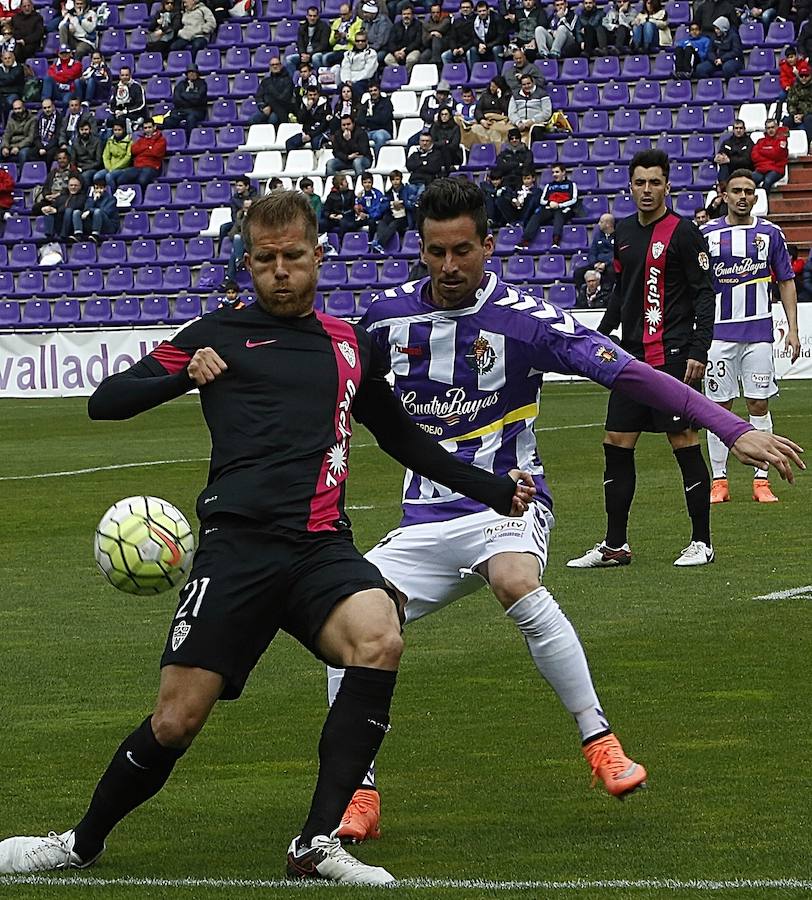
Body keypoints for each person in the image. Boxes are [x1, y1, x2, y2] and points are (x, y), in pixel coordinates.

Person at [0, 188, 533, 885]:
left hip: (319, 549)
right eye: (265, 260)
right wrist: (182, 375)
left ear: (319, 256)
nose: (280, 271)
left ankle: (316, 844)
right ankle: (78, 842)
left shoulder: (350, 346)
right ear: (247, 264)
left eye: (292, 257)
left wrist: (491, 488)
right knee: (175, 722)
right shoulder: (212, 336)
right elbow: (106, 402)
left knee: (379, 634)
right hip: (237, 549)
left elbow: (402, 437)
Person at [325, 176, 804, 844]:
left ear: (489, 245)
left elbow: (631, 373)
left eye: (463, 250)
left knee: (515, 578)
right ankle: (359, 789)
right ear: (421, 248)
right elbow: (322, 379)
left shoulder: (525, 321)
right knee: (347, 623)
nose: (449, 266)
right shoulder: (381, 320)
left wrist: (730, 427)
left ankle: (599, 741)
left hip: (510, 505)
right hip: (422, 521)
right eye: (436, 252)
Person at [568, 149, 717, 570]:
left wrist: (698, 350)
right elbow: (621, 291)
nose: (647, 190)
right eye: (640, 183)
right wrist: (596, 338)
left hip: (673, 357)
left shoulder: (684, 233)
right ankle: (615, 545)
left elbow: (705, 294)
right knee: (616, 442)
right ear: (630, 186)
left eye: (655, 182)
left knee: (683, 442)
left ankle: (702, 542)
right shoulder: (625, 233)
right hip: (630, 360)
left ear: (667, 185)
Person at [700, 169, 801, 503]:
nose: (742, 197)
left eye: (748, 192)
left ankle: (762, 480)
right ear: (724, 195)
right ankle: (719, 480)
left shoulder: (770, 234)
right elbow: (695, 287)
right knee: (719, 407)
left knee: (758, 403)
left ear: (755, 198)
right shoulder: (707, 234)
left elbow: (786, 280)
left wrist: (794, 330)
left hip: (758, 334)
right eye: (736, 191)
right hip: (717, 336)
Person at [515, 162, 578, 249]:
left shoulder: (571, 184)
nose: (554, 174)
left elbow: (574, 199)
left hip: (564, 208)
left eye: (557, 172)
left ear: (563, 172)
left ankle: (556, 240)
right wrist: (549, 203)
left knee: (559, 215)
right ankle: (525, 241)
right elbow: (542, 200)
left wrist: (559, 205)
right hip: (549, 206)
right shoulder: (549, 185)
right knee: (536, 216)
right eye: (553, 172)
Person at [108, 118, 166, 190]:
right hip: (137, 166)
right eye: (145, 128)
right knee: (121, 180)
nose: (147, 130)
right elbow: (134, 150)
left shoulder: (161, 139)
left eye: (149, 127)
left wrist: (142, 149)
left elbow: (156, 152)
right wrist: (149, 147)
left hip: (152, 167)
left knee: (142, 181)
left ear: (154, 127)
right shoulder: (141, 139)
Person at [369, 168, 416, 251]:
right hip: (392, 215)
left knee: (394, 224)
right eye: (393, 180)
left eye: (397, 179)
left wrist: (402, 203)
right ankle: (380, 245)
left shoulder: (408, 190)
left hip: (405, 217)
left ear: (401, 179)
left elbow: (411, 205)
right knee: (382, 223)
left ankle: (379, 243)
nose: (395, 182)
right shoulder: (388, 193)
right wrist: (391, 204)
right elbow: (382, 208)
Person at [574, 212, 615, 289]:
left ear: (608, 224)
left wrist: (605, 264)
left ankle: (607, 295)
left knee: (611, 272)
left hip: (609, 265)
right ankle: (584, 295)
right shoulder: (598, 236)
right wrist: (594, 263)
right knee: (578, 272)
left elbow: (616, 253)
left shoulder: (618, 236)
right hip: (596, 264)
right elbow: (592, 252)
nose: (598, 224)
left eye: (601, 222)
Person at [249, 56, 294, 127]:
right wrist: (263, 107)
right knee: (252, 120)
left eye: (277, 64)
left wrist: (270, 103)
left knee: (273, 120)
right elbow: (259, 96)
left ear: (281, 65)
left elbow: (284, 98)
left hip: (281, 109)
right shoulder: (265, 81)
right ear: (270, 67)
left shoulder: (288, 80)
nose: (275, 66)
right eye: (272, 65)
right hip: (266, 108)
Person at [163, 64, 208, 135]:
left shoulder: (202, 84)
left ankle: (190, 140)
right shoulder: (181, 84)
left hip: (197, 110)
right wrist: (191, 98)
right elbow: (176, 100)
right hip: (181, 110)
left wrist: (184, 94)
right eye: (189, 72)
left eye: (193, 72)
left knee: (191, 119)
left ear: (197, 74)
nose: (191, 74)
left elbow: (198, 99)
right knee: (168, 120)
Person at [507, 72, 552, 144]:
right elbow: (511, 113)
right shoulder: (515, 96)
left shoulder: (542, 94)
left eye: (528, 83)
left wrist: (533, 120)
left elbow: (547, 112)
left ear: (533, 83)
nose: (527, 86)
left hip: (536, 123)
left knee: (536, 131)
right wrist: (518, 122)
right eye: (524, 84)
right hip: (520, 123)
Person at [40, 170, 86, 239]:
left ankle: (63, 236)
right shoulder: (63, 195)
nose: (73, 187)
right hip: (59, 222)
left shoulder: (82, 196)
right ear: (68, 186)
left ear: (80, 186)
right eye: (71, 185)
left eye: (76, 185)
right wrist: (48, 208)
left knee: (68, 211)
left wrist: (56, 210)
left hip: (72, 225)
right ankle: (49, 236)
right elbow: (55, 205)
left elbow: (74, 206)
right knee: (48, 211)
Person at [288, 85, 334, 152]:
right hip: (307, 132)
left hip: (320, 132)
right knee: (290, 143)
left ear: (318, 95)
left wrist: (310, 135)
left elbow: (324, 124)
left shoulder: (325, 104)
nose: (312, 97)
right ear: (307, 96)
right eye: (310, 95)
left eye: (315, 95)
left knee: (315, 143)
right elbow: (300, 120)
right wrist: (307, 110)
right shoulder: (304, 104)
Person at [287, 5, 331, 76]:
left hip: (318, 53)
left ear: (318, 16)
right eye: (310, 16)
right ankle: (292, 83)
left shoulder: (324, 27)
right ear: (307, 16)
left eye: (314, 16)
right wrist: (302, 54)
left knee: (315, 58)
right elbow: (300, 43)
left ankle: (319, 80)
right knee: (289, 59)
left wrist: (310, 55)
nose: (312, 18)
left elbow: (324, 45)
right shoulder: (302, 28)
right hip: (305, 54)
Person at [74, 173, 117, 240]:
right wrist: (93, 200)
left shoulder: (111, 199)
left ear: (105, 188)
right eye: (97, 188)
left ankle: (95, 235)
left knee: (98, 211)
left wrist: (90, 211)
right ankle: (78, 235)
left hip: (108, 226)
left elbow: (105, 212)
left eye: (101, 188)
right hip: (94, 223)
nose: (99, 190)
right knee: (76, 212)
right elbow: (85, 210)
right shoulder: (90, 199)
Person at [19, 97, 61, 165]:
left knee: (50, 154)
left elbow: (57, 137)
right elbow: (36, 136)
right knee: (28, 154)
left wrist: (45, 148)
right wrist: (41, 147)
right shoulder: (39, 118)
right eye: (44, 108)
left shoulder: (59, 118)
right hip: (40, 145)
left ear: (53, 106)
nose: (47, 110)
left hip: (52, 146)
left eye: (49, 107)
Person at [750, 118, 788, 193]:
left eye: (772, 127)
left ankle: (764, 202)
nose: (770, 130)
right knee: (749, 181)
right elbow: (754, 157)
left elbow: (777, 155)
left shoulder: (782, 140)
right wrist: (770, 152)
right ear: (765, 129)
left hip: (776, 169)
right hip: (761, 169)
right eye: (768, 128)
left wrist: (762, 151)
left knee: (767, 181)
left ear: (777, 127)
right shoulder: (760, 141)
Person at [356, 81, 393, 159]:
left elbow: (383, 119)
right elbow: (359, 119)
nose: (373, 93)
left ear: (379, 91)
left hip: (384, 130)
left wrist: (368, 120)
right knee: (357, 136)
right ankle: (364, 160)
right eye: (371, 91)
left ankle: (378, 160)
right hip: (368, 132)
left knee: (379, 136)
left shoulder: (386, 102)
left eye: (375, 90)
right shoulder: (366, 103)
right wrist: (372, 120)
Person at [338, 30, 377, 98]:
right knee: (340, 87)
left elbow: (368, 72)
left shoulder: (372, 53)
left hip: (364, 80)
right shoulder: (348, 54)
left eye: (363, 41)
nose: (360, 43)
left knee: (357, 87)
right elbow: (345, 68)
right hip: (349, 80)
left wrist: (353, 81)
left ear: (367, 41)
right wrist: (347, 80)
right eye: (357, 41)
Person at [107, 66, 146, 133]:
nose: (124, 77)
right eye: (122, 75)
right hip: (119, 114)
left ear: (130, 75)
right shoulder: (116, 88)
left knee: (122, 119)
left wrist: (126, 111)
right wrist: (116, 111)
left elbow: (141, 105)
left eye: (126, 75)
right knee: (109, 121)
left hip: (134, 113)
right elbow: (112, 104)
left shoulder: (137, 87)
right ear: (119, 76)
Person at [95, 117, 132, 187]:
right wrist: (109, 167)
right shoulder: (110, 141)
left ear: (123, 130)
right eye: (115, 130)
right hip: (109, 167)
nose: (117, 132)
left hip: (123, 168)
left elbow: (128, 157)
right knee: (97, 176)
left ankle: (112, 194)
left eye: (119, 130)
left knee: (109, 176)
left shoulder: (129, 142)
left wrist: (114, 168)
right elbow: (105, 156)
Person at [782, 58, 812, 144]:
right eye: (802, 75)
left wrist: (803, 115)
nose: (804, 78)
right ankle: (786, 144)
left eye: (806, 76)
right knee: (786, 121)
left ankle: (810, 143)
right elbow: (791, 103)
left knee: (809, 119)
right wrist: (794, 115)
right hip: (797, 115)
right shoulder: (794, 87)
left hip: (808, 114)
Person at [320, 172, 359, 236]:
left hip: (347, 217)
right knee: (321, 223)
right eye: (345, 182)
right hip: (335, 219)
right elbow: (325, 210)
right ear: (340, 185)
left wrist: (343, 215)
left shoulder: (351, 193)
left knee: (344, 224)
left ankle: (342, 243)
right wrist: (330, 215)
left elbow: (352, 208)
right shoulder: (331, 196)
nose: (348, 183)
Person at [384, 3, 421, 70]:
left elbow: (417, 42)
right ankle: (400, 73)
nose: (406, 16)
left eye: (408, 14)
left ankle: (406, 75)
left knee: (411, 59)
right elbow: (391, 41)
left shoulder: (418, 25)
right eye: (404, 14)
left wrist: (405, 51)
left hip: (412, 50)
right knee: (388, 59)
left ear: (412, 15)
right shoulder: (396, 26)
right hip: (397, 51)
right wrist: (395, 52)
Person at [468, 0, 505, 67]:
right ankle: (474, 73)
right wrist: (479, 44)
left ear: (488, 10)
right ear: (476, 12)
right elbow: (472, 36)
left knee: (496, 49)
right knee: (472, 49)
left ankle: (500, 75)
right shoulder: (473, 20)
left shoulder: (497, 18)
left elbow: (501, 37)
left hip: (494, 45)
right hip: (481, 46)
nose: (482, 13)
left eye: (484, 10)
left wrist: (486, 46)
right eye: (480, 11)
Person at [440, 0, 475, 65]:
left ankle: (471, 74)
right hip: (457, 48)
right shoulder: (456, 21)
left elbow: (474, 38)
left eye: (467, 7)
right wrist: (454, 48)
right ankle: (451, 74)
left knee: (470, 53)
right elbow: (452, 37)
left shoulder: (476, 20)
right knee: (445, 56)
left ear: (472, 9)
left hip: (469, 47)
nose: (465, 9)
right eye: (463, 7)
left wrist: (464, 48)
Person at [429, 105, 462, 172]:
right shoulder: (435, 127)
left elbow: (454, 145)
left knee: (445, 150)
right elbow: (431, 143)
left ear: (450, 116)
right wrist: (444, 142)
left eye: (446, 114)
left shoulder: (455, 127)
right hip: (437, 153)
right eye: (442, 114)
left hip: (453, 155)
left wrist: (441, 145)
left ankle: (447, 173)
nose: (444, 116)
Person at [69, 118, 102, 185]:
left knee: (84, 176)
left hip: (92, 168)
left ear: (90, 130)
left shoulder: (97, 141)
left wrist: (83, 169)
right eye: (82, 130)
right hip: (78, 168)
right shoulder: (75, 142)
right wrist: (75, 169)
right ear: (78, 130)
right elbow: (73, 160)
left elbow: (98, 162)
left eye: (86, 130)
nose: (84, 132)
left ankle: (84, 195)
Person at [0, 48, 22, 124]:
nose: (7, 60)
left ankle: (6, 124)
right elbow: (8, 80)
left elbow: (11, 79)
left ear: (13, 58)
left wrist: (3, 80)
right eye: (5, 58)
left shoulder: (19, 67)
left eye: (9, 58)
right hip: (1, 94)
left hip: (14, 93)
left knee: (8, 103)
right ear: (2, 59)